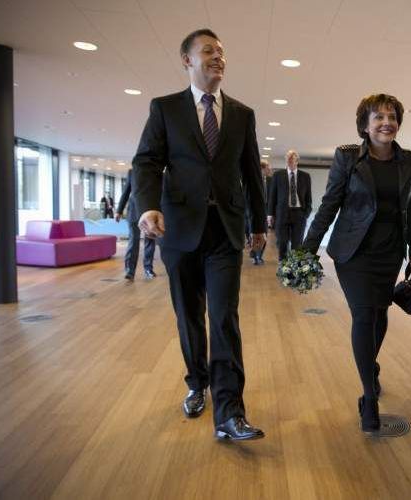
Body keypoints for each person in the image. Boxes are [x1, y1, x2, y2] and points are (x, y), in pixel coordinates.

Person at [133, 28, 267, 441]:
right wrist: (149, 206)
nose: (218, 57)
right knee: (189, 316)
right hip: (179, 228)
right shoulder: (166, 108)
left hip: (225, 230)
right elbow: (147, 161)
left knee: (224, 317)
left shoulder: (242, 114)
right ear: (187, 60)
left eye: (222, 52)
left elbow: (250, 174)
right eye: (208, 51)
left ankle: (230, 412)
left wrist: (258, 224)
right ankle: (197, 383)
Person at [303, 94, 411, 433]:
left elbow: (410, 208)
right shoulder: (348, 157)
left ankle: (370, 367)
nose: (387, 122)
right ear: (365, 125)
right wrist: (307, 249)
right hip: (353, 252)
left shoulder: (406, 159)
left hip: (390, 252)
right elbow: (330, 204)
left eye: (392, 116)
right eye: (379, 117)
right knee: (365, 314)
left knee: (381, 313)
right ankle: (368, 397)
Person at [267, 150, 312, 261]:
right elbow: (272, 196)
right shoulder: (278, 175)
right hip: (282, 214)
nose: (289, 163)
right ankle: (283, 266)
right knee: (282, 242)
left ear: (297, 161)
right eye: (288, 160)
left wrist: (306, 213)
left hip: (299, 214)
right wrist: (270, 214)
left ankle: (294, 268)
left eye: (292, 160)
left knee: (297, 244)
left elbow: (308, 198)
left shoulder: (305, 176)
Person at [115, 169, 156, 280]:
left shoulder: (157, 171)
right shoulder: (132, 172)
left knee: (150, 240)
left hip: (150, 211)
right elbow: (126, 192)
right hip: (134, 212)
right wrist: (119, 211)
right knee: (134, 240)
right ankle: (130, 270)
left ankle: (148, 269)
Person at [245, 159, 273, 265]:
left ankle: (258, 256)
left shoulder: (270, 180)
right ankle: (254, 254)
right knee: (252, 234)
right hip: (251, 212)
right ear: (262, 168)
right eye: (267, 168)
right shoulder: (252, 180)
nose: (269, 170)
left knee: (264, 234)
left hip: (265, 211)